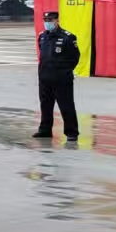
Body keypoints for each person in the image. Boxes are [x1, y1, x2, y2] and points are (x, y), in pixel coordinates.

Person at [34, 10, 82, 143]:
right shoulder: (42, 36)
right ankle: (45, 130)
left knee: (66, 106)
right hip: (45, 78)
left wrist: (65, 71)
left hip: (62, 79)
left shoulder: (68, 37)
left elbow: (75, 57)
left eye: (50, 20)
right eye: (45, 20)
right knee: (45, 105)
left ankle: (71, 132)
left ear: (57, 21)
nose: (47, 23)